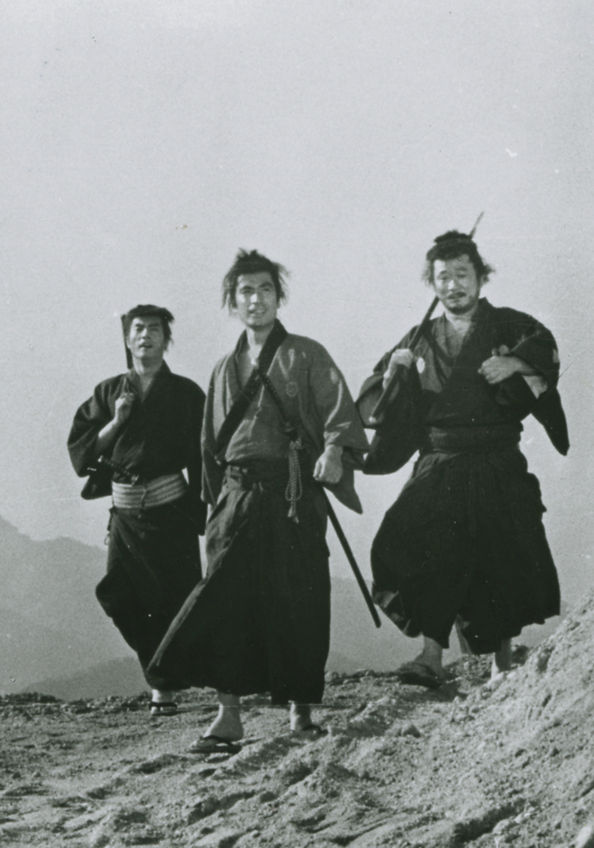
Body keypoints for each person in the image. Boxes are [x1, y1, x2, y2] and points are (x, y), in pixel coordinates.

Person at [148, 250, 369, 753]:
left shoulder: (307, 354)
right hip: (238, 495)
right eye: (246, 291)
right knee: (227, 600)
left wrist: (334, 449)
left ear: (278, 296)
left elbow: (339, 410)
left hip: (292, 494)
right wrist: (216, 505)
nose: (256, 299)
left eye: (265, 289)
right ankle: (229, 715)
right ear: (234, 300)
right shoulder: (223, 369)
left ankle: (301, 712)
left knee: (302, 597)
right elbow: (208, 447)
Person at [368, 229, 565, 688]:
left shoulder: (511, 326)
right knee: (417, 546)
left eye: (462, 274)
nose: (453, 285)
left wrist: (515, 364)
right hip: (440, 459)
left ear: (480, 278)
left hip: (494, 457)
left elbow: (546, 350)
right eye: (443, 277)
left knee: (501, 555)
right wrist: (395, 375)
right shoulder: (419, 337)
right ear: (432, 284)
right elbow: (382, 400)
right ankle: (430, 657)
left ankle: (501, 660)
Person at [68, 304, 206, 717]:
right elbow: (83, 456)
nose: (146, 335)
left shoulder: (186, 393)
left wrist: (202, 511)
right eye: (138, 329)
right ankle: (163, 674)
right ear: (128, 340)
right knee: (119, 596)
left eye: (155, 329)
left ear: (167, 339)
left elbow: (203, 457)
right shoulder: (109, 392)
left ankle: (162, 690)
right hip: (126, 516)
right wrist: (116, 421)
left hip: (172, 511)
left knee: (177, 600)